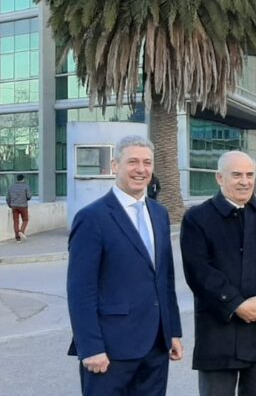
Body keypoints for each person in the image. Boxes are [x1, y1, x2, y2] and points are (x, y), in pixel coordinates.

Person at [66, 135, 183, 395]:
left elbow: (165, 279)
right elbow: (80, 290)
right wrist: (90, 347)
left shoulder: (160, 214)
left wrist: (172, 331)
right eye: (133, 162)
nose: (141, 169)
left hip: (156, 347)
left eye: (147, 162)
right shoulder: (92, 218)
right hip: (110, 350)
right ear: (115, 165)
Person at [180, 151, 256, 396]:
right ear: (219, 178)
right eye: (236, 175)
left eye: (249, 175)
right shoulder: (197, 218)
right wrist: (236, 304)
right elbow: (199, 271)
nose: (245, 181)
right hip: (218, 329)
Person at [6, 173, 31, 241]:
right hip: (23, 206)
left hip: (14, 206)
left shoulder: (11, 186)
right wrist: (25, 199)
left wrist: (10, 205)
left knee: (16, 221)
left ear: (17, 179)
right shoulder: (26, 186)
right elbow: (29, 196)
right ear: (23, 179)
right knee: (25, 220)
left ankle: (17, 238)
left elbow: (8, 198)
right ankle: (21, 231)